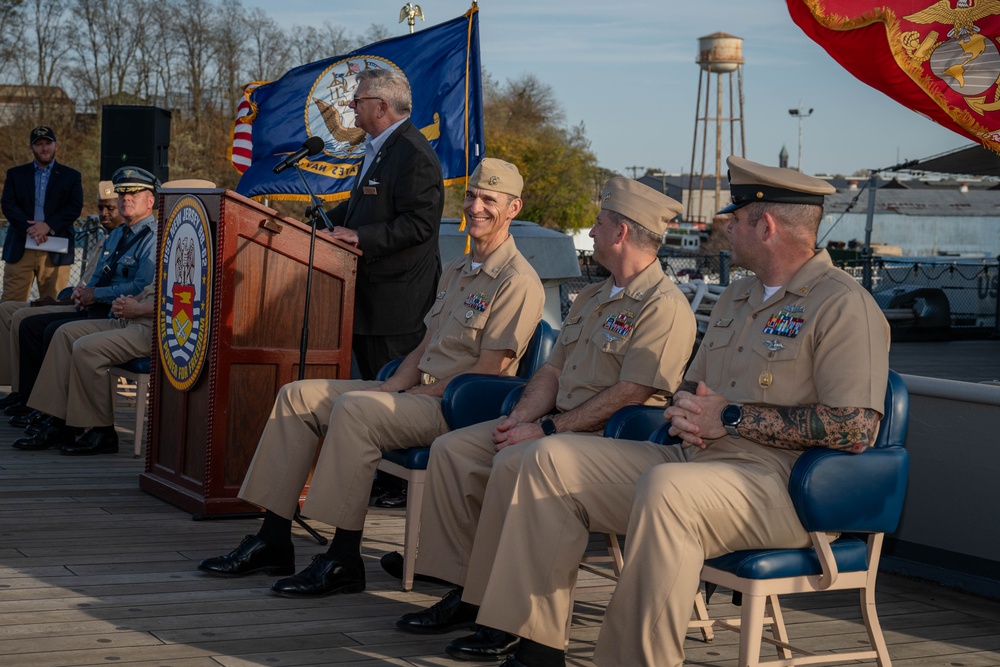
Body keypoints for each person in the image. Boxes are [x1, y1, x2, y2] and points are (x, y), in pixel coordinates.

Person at [448, 156, 891, 667]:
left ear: (764, 225)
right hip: (695, 460)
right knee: (546, 461)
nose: (724, 231)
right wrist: (689, 409)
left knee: (667, 493)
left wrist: (730, 418)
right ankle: (536, 648)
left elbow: (856, 428)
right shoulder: (737, 298)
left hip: (779, 485)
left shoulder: (843, 306)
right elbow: (693, 387)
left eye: (734, 220)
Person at [197, 159, 545, 599]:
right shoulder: (459, 269)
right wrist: (393, 387)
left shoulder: (517, 281)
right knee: (296, 397)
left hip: (458, 407)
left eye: (489, 200)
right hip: (420, 394)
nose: (476, 206)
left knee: (355, 411)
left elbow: (488, 371)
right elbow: (425, 345)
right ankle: (273, 537)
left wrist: (416, 393)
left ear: (513, 207)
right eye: (472, 195)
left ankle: (342, 558)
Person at [394, 178, 699, 662]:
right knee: (456, 450)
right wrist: (519, 419)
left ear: (620, 232)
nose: (592, 233)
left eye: (598, 224)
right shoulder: (592, 299)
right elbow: (551, 371)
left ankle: (504, 617)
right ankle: (466, 592)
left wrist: (548, 430)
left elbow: (633, 392)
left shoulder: (663, 306)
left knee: (523, 457)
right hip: (557, 425)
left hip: (613, 440)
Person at [7, 166, 160, 446]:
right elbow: (99, 274)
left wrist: (95, 294)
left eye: (135, 193)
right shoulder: (117, 235)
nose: (126, 198)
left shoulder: (155, 237)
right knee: (55, 330)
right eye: (123, 193)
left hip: (128, 315)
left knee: (62, 333)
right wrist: (82, 292)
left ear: (151, 201)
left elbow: (141, 287)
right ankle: (56, 420)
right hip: (108, 310)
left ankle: (95, 429)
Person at [322, 67, 445, 380]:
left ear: (381, 106)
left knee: (391, 399)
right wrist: (311, 225)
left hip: (396, 313)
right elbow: (363, 205)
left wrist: (360, 236)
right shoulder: (379, 148)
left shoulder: (413, 153)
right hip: (369, 305)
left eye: (357, 99)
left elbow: (420, 224)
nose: (350, 105)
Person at [0, 181, 123, 407]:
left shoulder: (125, 242)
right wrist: (59, 301)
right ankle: (15, 388)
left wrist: (57, 302)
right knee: (7, 309)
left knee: (28, 321)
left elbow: (101, 292)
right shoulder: (107, 239)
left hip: (94, 310)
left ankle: (33, 400)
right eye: (100, 208)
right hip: (76, 301)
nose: (103, 214)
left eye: (111, 208)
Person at [12, 285, 155, 454]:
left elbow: (189, 302)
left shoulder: (190, 259)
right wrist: (129, 302)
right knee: (64, 333)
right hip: (132, 320)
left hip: (156, 329)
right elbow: (149, 290)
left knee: (87, 348)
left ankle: (103, 431)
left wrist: (139, 309)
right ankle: (59, 425)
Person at [1, 126, 84, 302]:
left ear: (56, 145)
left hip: (55, 249)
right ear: (31, 147)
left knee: (53, 304)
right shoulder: (15, 174)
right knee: (9, 305)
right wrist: (30, 228)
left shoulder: (71, 176)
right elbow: (8, 204)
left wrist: (48, 226)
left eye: (48, 143)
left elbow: (75, 207)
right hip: (21, 247)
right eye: (38, 144)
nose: (44, 148)